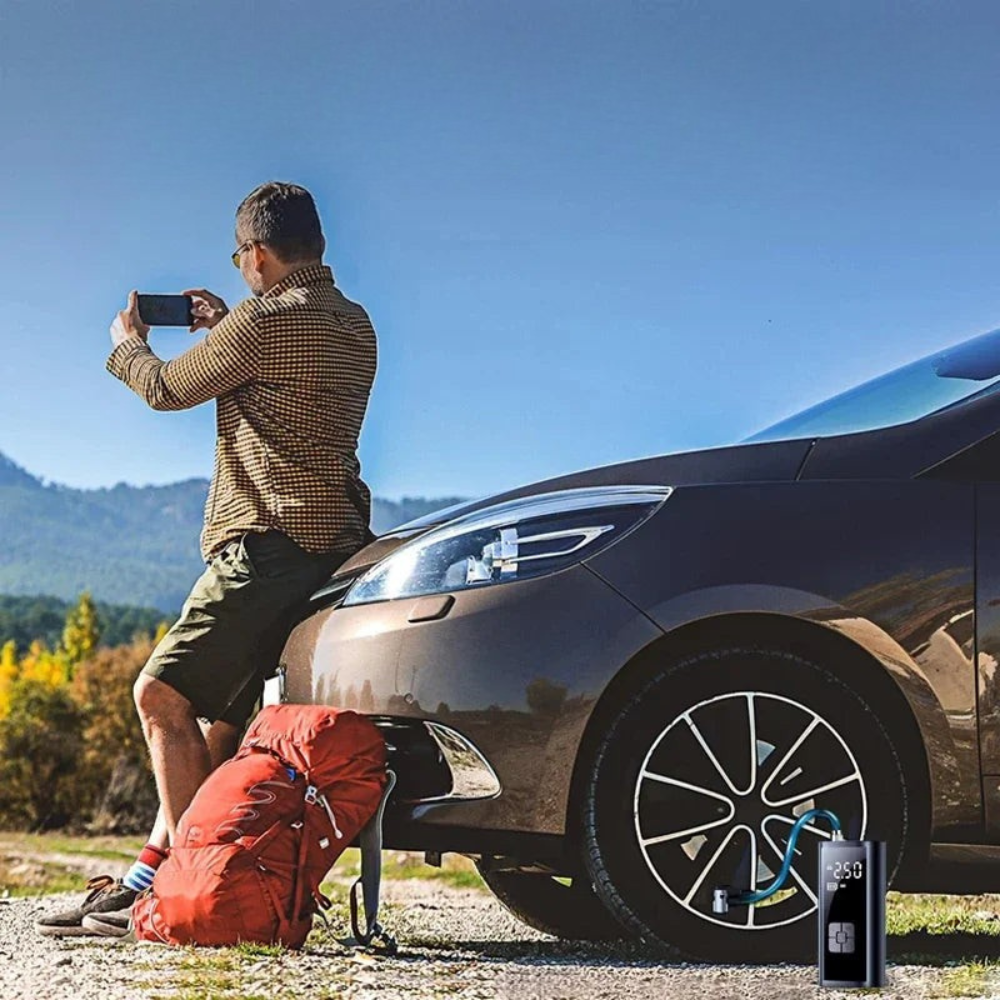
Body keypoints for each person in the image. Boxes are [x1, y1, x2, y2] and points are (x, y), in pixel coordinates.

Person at [36, 181, 378, 938]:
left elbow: (165, 388)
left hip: (267, 549)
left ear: (255, 254)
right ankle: (148, 883)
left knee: (160, 697)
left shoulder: (265, 321)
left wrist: (127, 342)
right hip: (333, 550)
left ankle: (191, 891)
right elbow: (286, 383)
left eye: (239, 258)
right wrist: (227, 326)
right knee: (219, 730)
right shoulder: (355, 324)